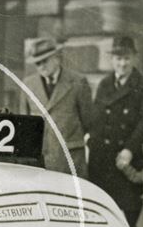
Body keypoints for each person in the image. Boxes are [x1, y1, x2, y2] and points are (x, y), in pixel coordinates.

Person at [88, 36, 143, 227]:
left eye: (127, 58)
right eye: (118, 59)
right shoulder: (105, 84)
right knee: (105, 206)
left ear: (134, 58)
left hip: (130, 157)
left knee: (132, 207)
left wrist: (129, 149)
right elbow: (97, 118)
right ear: (111, 59)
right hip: (104, 156)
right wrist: (91, 143)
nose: (122, 64)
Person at [19, 38, 92, 178]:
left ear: (57, 58)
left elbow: (88, 121)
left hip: (70, 161)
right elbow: (25, 126)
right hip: (40, 161)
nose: (41, 66)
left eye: (44, 60)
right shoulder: (28, 84)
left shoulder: (78, 82)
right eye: (37, 63)